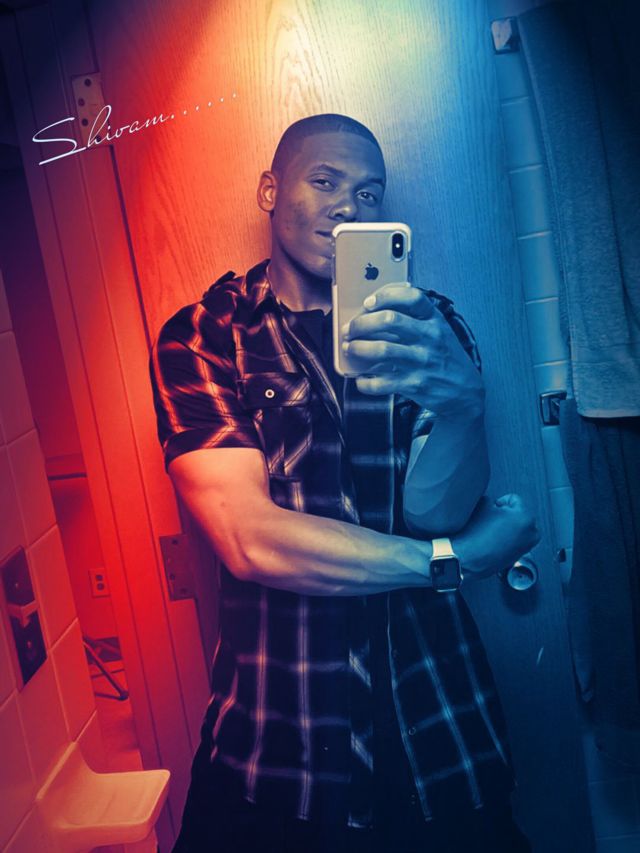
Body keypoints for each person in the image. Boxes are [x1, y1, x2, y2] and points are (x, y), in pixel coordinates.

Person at [149, 113, 539, 852]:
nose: (348, 208)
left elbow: (435, 512)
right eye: (324, 181)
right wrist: (451, 563)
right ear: (270, 190)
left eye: (368, 193)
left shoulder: (426, 328)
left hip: (437, 721)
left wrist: (463, 408)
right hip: (279, 743)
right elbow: (250, 539)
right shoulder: (205, 336)